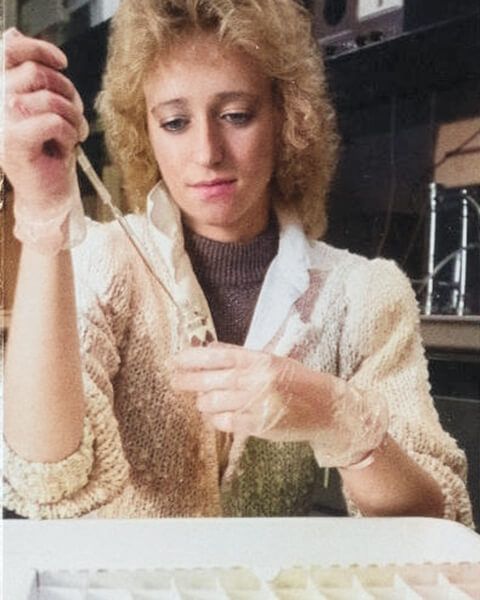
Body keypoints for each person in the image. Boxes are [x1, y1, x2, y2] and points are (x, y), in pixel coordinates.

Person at [1, 0, 473, 524]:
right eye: (175, 122)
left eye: (236, 115)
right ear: (145, 131)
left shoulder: (364, 295)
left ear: (287, 117)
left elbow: (438, 521)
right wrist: (43, 212)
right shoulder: (105, 262)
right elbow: (43, 479)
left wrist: (339, 419)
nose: (208, 152)